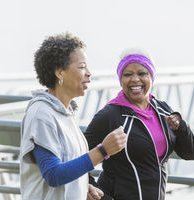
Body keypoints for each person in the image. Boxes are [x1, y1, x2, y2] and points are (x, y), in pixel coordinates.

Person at [19, 32, 127, 200]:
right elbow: (53, 174)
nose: (89, 73)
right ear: (60, 73)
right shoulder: (41, 115)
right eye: (82, 66)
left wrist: (83, 185)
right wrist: (103, 150)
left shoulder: (65, 113)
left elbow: (65, 169)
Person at [84, 48, 194, 200]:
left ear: (151, 77)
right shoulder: (110, 116)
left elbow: (191, 153)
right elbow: (77, 157)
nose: (135, 79)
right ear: (121, 80)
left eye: (142, 73)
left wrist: (182, 128)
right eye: (127, 74)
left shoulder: (162, 110)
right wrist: (94, 191)